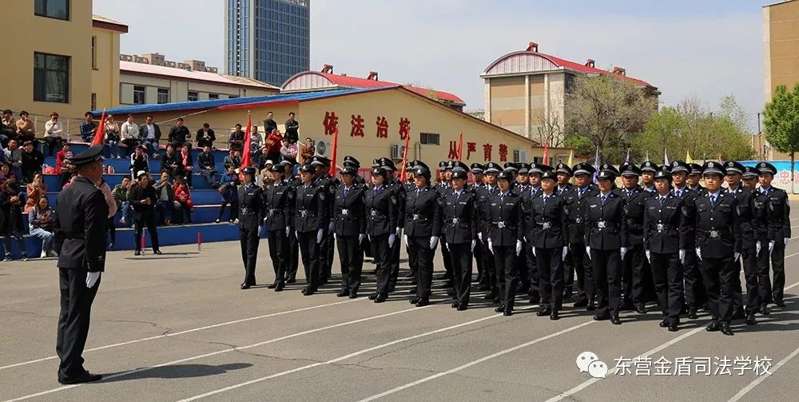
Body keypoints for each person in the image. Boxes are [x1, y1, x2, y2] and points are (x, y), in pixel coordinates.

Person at [52, 144, 107, 384]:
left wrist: (63, 252)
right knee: (79, 314)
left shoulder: (65, 192)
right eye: (99, 165)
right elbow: (94, 233)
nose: (101, 169)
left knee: (67, 312)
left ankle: (67, 358)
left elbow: (58, 229)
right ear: (92, 167)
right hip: (83, 259)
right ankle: (70, 369)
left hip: (67, 256)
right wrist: (95, 265)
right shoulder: (92, 194)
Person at [687, 161, 739, 336]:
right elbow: (695, 227)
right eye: (707, 177)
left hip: (725, 248)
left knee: (726, 286)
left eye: (714, 177)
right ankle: (716, 318)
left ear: (721, 179)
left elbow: (737, 226)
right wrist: (697, 246)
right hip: (706, 248)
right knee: (711, 286)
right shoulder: (699, 201)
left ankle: (725, 321)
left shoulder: (730, 200)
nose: (710, 180)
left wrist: (737, 248)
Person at [643, 166, 686, 332]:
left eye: (663, 181)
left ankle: (674, 317)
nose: (660, 184)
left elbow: (682, 226)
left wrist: (682, 247)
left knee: (674, 283)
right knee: (660, 283)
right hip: (655, 247)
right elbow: (647, 226)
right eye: (657, 181)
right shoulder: (650, 202)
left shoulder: (676, 201)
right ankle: (666, 313)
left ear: (669, 183)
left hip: (672, 246)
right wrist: (647, 246)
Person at [584, 163, 626, 325]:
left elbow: (622, 224)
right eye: (599, 181)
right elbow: (588, 223)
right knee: (599, 278)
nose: (602, 183)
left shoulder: (617, 201)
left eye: (605, 181)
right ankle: (601, 309)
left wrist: (623, 245)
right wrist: (587, 242)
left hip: (612, 243)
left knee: (613, 279)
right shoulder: (591, 200)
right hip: (595, 243)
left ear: (611, 182)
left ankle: (614, 311)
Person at [526, 169, 568, 320]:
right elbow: (532, 222)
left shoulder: (558, 200)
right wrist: (532, 241)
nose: (545, 183)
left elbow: (563, 222)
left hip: (555, 240)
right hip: (539, 240)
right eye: (543, 181)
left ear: (554, 183)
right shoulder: (536, 200)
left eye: (548, 181)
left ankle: (555, 306)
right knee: (542, 274)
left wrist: (564, 244)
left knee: (555, 275)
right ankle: (544, 304)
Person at [487, 168, 523, 316]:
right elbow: (489, 220)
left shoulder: (516, 199)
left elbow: (520, 221)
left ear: (510, 182)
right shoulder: (493, 198)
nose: (501, 184)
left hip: (510, 239)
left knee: (510, 273)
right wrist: (489, 237)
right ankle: (502, 301)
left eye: (504, 181)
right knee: (499, 273)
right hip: (496, 238)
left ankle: (509, 304)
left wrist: (519, 239)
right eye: (499, 181)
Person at [441, 164, 478, 311]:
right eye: (453, 180)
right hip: (452, 236)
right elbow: (446, 218)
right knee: (455, 270)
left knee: (464, 270)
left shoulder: (469, 197)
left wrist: (474, 237)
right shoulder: (448, 196)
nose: (455, 182)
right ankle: (457, 296)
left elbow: (473, 218)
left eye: (458, 180)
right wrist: (446, 235)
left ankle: (464, 298)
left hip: (465, 236)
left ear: (464, 181)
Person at [405, 163, 441, 307]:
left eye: (420, 177)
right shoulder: (411, 193)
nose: (417, 179)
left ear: (426, 178)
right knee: (416, 265)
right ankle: (419, 293)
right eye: (416, 177)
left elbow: (437, 216)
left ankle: (424, 294)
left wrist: (435, 235)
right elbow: (407, 214)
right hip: (412, 232)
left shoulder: (432, 194)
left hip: (425, 233)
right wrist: (406, 232)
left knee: (425, 265)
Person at [562, 162, 598, 310]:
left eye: (582, 176)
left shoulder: (595, 192)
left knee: (589, 267)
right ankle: (581, 295)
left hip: (588, 234)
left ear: (589, 178)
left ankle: (591, 297)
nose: (579, 179)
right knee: (578, 267)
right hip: (574, 235)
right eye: (577, 177)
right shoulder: (569, 193)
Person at [755, 161, 790, 310]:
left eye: (766, 176)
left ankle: (778, 296)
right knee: (762, 269)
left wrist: (786, 234)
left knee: (778, 268)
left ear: (772, 178)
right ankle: (764, 297)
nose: (763, 178)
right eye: (761, 176)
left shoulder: (780, 194)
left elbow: (785, 216)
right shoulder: (753, 195)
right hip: (762, 235)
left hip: (777, 234)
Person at [618, 162, 650, 314]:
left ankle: (638, 300)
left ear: (637, 179)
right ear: (621, 179)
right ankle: (626, 300)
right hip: (621, 239)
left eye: (632, 177)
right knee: (623, 271)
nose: (629, 180)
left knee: (638, 271)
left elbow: (647, 219)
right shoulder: (616, 195)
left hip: (637, 237)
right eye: (626, 177)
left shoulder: (644, 196)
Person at [294, 163, 329, 296]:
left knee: (313, 256)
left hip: (313, 226)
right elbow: (297, 210)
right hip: (302, 226)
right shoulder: (299, 189)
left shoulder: (317, 190)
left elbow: (321, 211)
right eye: (302, 174)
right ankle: (309, 280)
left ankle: (313, 283)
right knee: (305, 256)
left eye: (305, 174)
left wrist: (320, 228)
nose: (302, 176)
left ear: (312, 175)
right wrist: (297, 226)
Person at [333, 166, 366, 298]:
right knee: (344, 260)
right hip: (341, 228)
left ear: (352, 177)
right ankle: (345, 285)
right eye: (342, 175)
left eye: (346, 175)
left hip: (353, 229)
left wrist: (362, 231)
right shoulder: (339, 190)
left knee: (353, 260)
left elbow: (363, 213)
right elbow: (335, 210)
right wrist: (335, 228)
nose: (344, 177)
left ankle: (353, 286)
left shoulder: (358, 191)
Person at [364, 167, 396, 302]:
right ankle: (378, 289)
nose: (374, 178)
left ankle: (383, 291)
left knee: (384, 262)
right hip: (373, 229)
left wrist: (392, 232)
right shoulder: (370, 192)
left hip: (383, 229)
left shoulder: (388, 193)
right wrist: (368, 230)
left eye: (377, 176)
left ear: (383, 178)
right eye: (373, 176)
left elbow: (392, 214)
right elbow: (367, 212)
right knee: (377, 262)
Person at [263, 163, 294, 291]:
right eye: (273, 172)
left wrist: (287, 224)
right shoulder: (270, 188)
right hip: (271, 221)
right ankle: (277, 277)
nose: (274, 174)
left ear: (281, 173)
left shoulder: (285, 188)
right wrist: (266, 216)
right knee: (273, 253)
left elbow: (287, 207)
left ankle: (281, 279)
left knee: (281, 252)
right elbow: (267, 205)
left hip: (280, 221)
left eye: (276, 172)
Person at [475, 162, 500, 299]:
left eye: (493, 174)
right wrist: (479, 230)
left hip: (496, 229)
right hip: (484, 229)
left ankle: (499, 290)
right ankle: (492, 289)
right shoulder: (480, 191)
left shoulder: (500, 190)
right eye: (488, 175)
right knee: (487, 262)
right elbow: (476, 212)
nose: (490, 177)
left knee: (497, 263)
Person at [235, 167, 263, 289]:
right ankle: (251, 276)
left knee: (251, 252)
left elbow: (261, 208)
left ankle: (248, 278)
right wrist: (237, 217)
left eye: (247, 175)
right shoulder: (241, 189)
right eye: (243, 175)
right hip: (243, 223)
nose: (244, 177)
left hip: (252, 223)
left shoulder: (257, 190)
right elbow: (238, 206)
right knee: (244, 252)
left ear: (251, 176)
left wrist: (260, 223)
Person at [128, 170, 162, 255]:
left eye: (146, 179)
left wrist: (151, 202)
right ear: (139, 181)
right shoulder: (135, 188)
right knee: (137, 232)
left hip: (149, 212)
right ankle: (137, 249)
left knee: (153, 231)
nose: (146, 181)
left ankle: (156, 249)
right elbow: (131, 201)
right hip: (139, 213)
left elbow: (155, 199)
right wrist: (140, 202)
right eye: (143, 179)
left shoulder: (151, 189)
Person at [0, 174, 28, 261]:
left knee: (19, 235)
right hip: (6, 218)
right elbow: (2, 204)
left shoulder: (19, 193)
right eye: (8, 186)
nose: (9, 188)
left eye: (11, 186)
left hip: (16, 217)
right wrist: (10, 201)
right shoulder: (2, 194)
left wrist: (18, 202)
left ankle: (24, 254)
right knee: (6, 237)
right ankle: (8, 255)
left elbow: (23, 203)